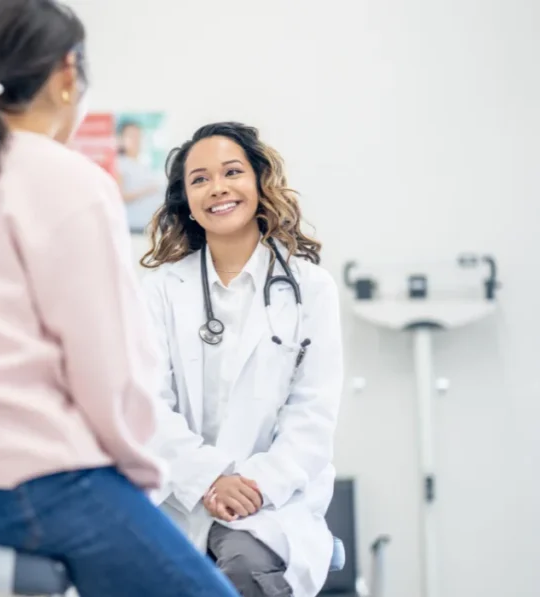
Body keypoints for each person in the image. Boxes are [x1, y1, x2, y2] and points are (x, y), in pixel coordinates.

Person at [0, 2, 241, 596]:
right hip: (32, 484)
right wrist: (140, 488)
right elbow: (110, 372)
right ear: (69, 72)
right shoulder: (71, 181)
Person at [138, 122, 344, 597]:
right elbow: (146, 406)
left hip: (272, 503)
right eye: (200, 179)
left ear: (259, 181)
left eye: (232, 172)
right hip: (180, 496)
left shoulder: (310, 289)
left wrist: (247, 486)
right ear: (185, 200)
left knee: (244, 570)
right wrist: (210, 478)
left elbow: (311, 419)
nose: (218, 188)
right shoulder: (161, 291)